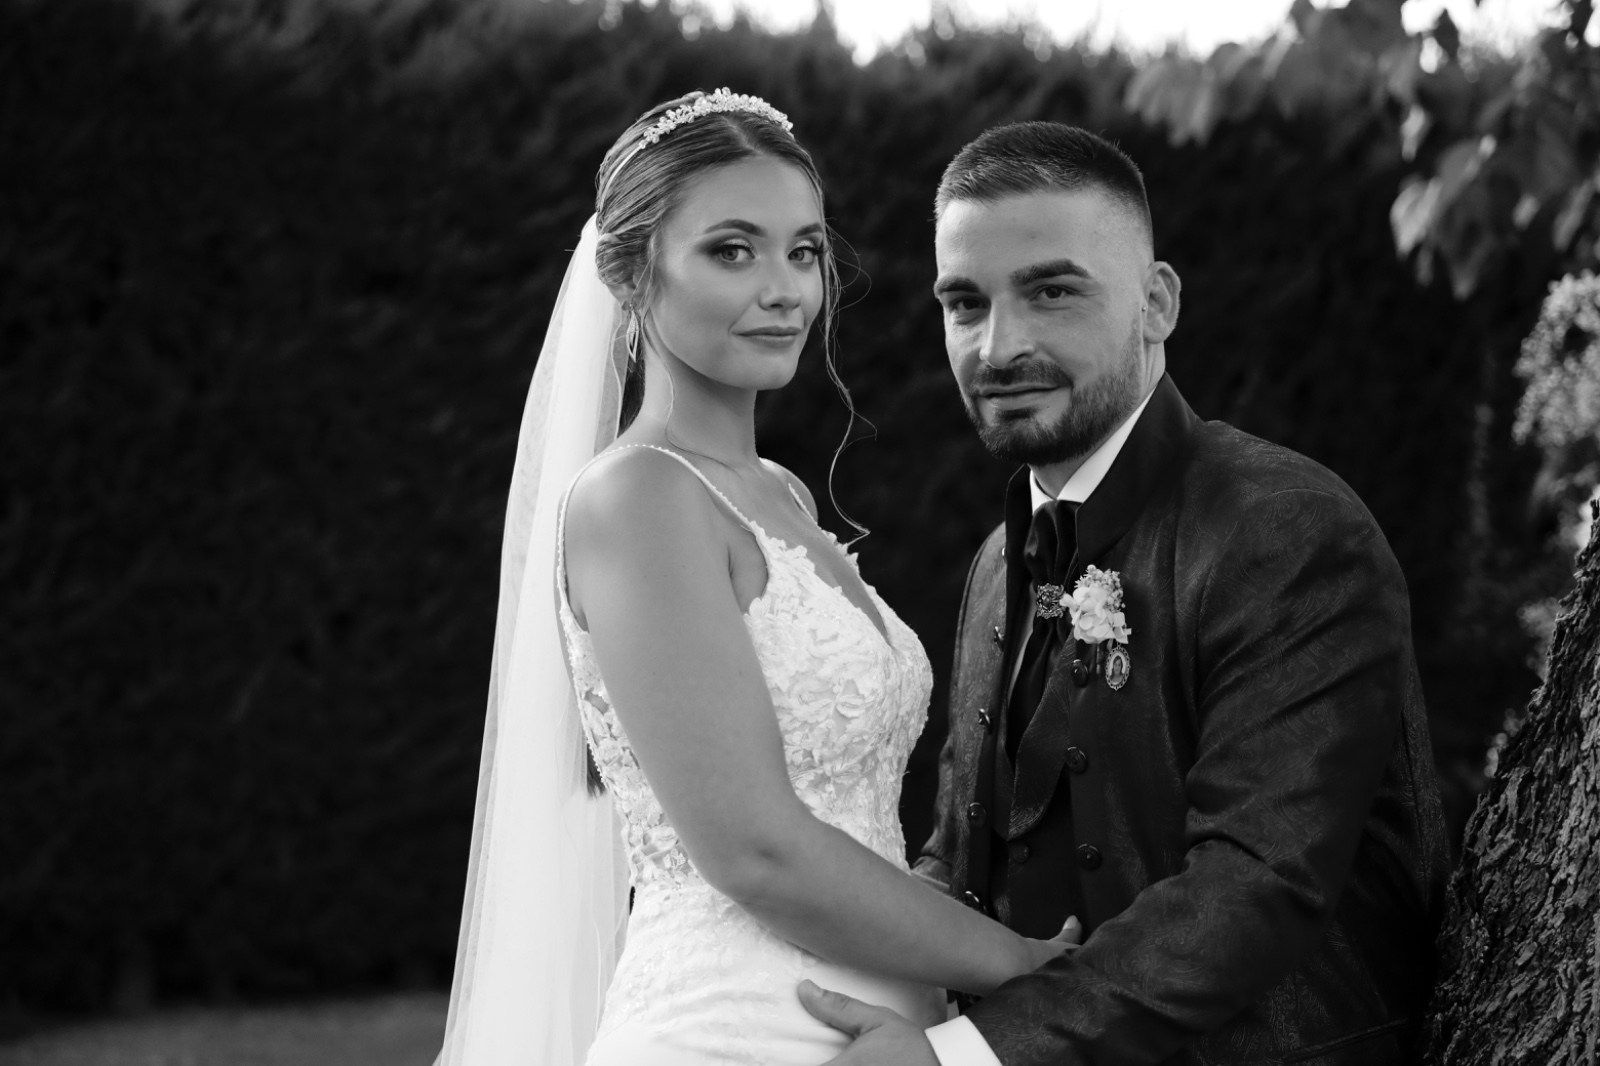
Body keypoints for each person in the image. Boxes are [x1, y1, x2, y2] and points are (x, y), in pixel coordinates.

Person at [433, 91, 1079, 1066]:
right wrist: (1021, 967)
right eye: (732, 250)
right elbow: (755, 849)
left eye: (804, 250)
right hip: (732, 1032)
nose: (784, 288)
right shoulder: (636, 498)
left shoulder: (775, 493)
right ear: (633, 271)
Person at [800, 123, 1451, 1064]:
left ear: (1157, 303)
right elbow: (959, 852)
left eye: (1052, 290)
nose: (997, 348)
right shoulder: (995, 562)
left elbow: (1256, 878)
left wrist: (963, 1058)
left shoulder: (1288, 530)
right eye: (964, 303)